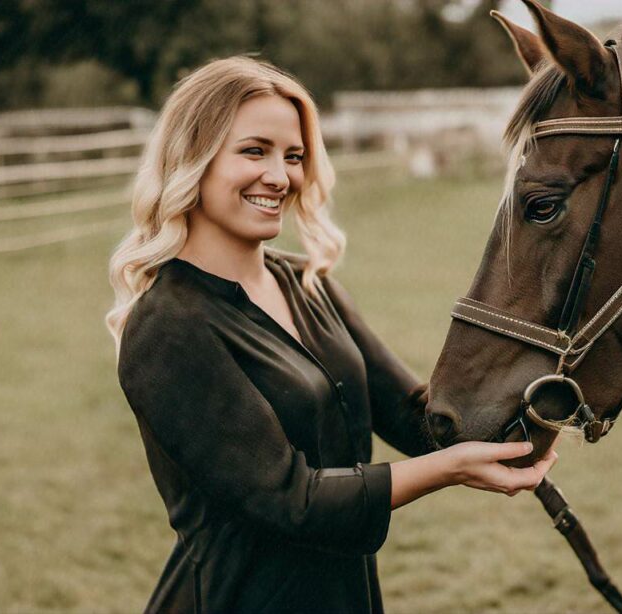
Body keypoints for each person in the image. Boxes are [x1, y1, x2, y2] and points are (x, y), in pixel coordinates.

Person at [106, 56, 556, 613]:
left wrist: (542, 400)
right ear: (192, 159)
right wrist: (451, 469)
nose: (280, 176)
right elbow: (293, 499)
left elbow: (416, 416)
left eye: (293, 156)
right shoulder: (168, 328)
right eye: (254, 150)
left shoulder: (305, 282)